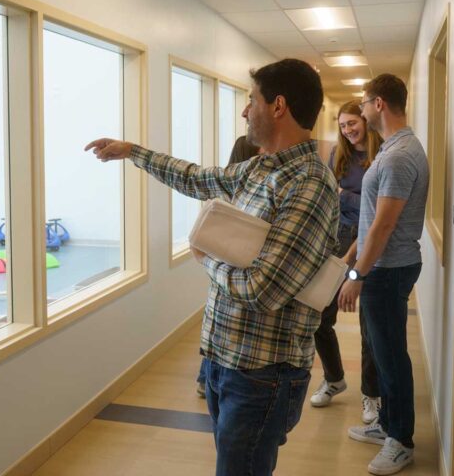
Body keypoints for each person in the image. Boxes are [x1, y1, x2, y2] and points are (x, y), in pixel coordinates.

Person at [87, 58, 338, 476]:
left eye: (250, 100)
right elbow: (197, 178)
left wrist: (207, 258)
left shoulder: (308, 185)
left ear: (278, 106)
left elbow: (262, 289)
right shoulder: (260, 169)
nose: (244, 111)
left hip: (263, 374)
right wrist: (134, 153)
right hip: (226, 360)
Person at [338, 74, 429, 475]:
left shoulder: (397, 155)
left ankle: (401, 441)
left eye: (363, 102)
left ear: (379, 103)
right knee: (381, 350)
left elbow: (383, 226)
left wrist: (356, 277)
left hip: (388, 271)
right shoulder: (394, 147)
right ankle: (388, 426)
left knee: (391, 357)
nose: (359, 109)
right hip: (383, 266)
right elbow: (373, 218)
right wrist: (349, 259)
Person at [310, 101, 383, 425]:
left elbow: (376, 213)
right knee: (321, 318)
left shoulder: (380, 157)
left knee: (370, 327)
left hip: (369, 243)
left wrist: (346, 196)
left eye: (352, 123)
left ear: (365, 121)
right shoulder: (336, 156)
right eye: (342, 125)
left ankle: (371, 394)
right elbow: (328, 199)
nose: (348, 130)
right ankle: (335, 378)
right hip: (336, 237)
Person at [196, 133, 262, 398]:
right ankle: (207, 377)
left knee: (219, 321)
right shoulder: (247, 191)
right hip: (235, 274)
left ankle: (205, 378)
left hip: (223, 273)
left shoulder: (226, 194)